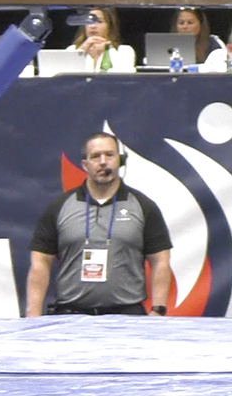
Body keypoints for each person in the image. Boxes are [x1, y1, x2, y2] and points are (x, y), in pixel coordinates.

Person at [25, 131, 174, 316]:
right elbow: (40, 262)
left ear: (120, 160)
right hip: (70, 317)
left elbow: (161, 261)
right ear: (85, 165)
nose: (103, 162)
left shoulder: (143, 207)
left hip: (127, 317)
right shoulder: (59, 207)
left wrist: (158, 310)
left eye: (110, 155)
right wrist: (33, 315)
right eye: (96, 156)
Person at [71, 7, 133, 72]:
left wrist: (110, 49)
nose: (93, 26)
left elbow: (124, 74)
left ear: (109, 26)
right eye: (89, 21)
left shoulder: (124, 50)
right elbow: (66, 73)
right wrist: (82, 50)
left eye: (99, 22)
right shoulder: (72, 49)